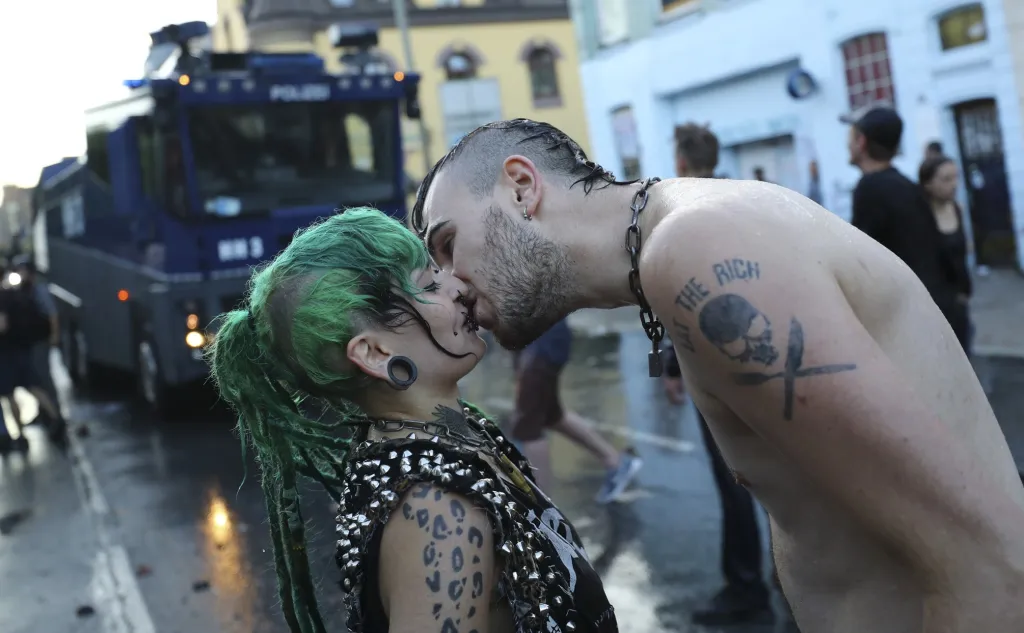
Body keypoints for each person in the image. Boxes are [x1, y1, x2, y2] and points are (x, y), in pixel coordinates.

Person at [411, 118, 1024, 632]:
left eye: (447, 245)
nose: (450, 290)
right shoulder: (691, 238)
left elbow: (990, 564)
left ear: (521, 187)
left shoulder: (697, 248)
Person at [206, 208, 618, 633]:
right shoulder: (439, 514)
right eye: (429, 285)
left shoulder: (447, 441)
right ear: (375, 354)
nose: (458, 284)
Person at [666, 122, 776, 626]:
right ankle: (789, 575)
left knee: (737, 481)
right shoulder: (749, 202)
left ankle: (747, 585)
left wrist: (669, 365)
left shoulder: (682, 212)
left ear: (682, 162)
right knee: (782, 475)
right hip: (764, 359)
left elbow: (673, 294)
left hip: (717, 371)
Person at [843, 106, 959, 321]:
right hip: (938, 306)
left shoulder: (870, 188)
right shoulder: (908, 186)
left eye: (851, 137)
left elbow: (859, 260)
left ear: (861, 142)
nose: (847, 144)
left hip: (910, 317)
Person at [510, 317, 642, 503]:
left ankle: (541, 507)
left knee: (527, 428)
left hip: (540, 345)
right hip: (542, 342)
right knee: (552, 415)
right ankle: (616, 461)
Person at [919, 155, 972, 354]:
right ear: (928, 184)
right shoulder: (921, 217)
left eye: (955, 177)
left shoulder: (957, 209)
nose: (954, 184)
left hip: (959, 300)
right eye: (946, 179)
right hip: (933, 303)